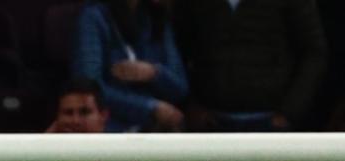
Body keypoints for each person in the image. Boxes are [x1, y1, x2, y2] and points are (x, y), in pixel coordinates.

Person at [175, 0, 326, 132]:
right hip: (211, 121)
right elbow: (178, 48)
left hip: (270, 121)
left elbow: (314, 52)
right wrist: (191, 105)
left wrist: (289, 111)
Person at [71, 0, 187, 132]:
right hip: (113, 129)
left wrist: (153, 73)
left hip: (155, 130)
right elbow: (88, 89)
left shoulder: (156, 16)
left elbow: (180, 88)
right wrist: (150, 107)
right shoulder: (94, 17)